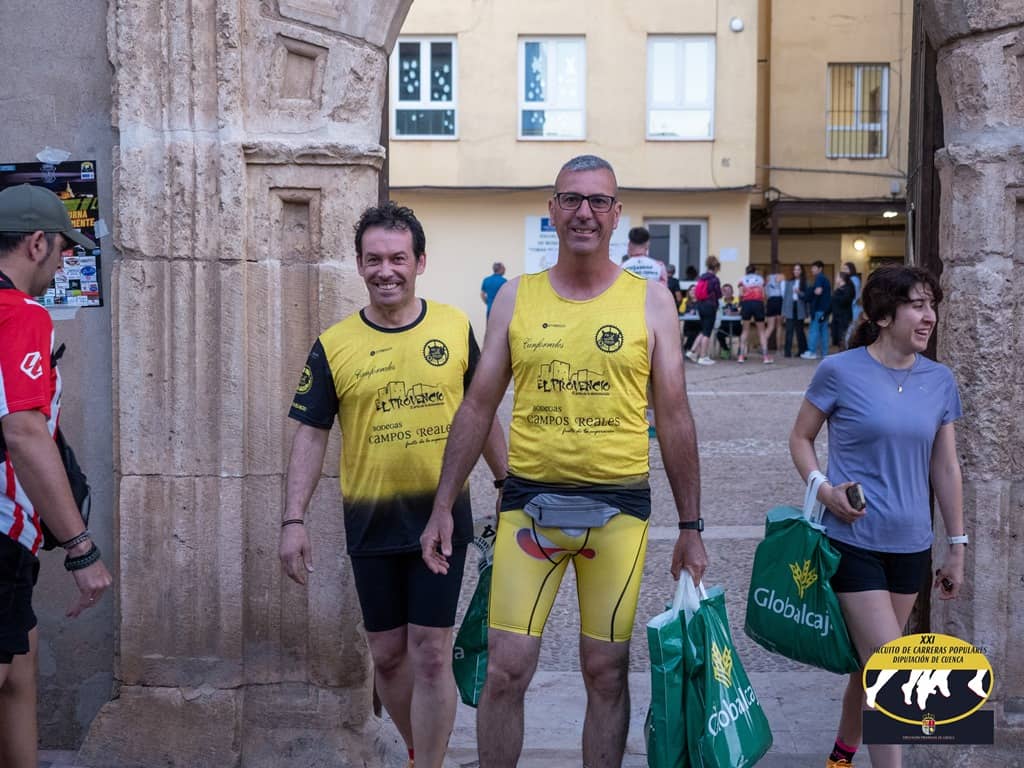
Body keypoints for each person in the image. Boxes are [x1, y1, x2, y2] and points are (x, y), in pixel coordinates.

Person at [420, 155, 707, 768]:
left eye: (598, 201)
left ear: (616, 213)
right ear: (552, 210)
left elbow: (676, 416)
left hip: (619, 511)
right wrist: (443, 503)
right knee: (505, 669)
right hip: (530, 508)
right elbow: (477, 405)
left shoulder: (652, 302)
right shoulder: (514, 298)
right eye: (571, 199)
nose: (584, 212)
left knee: (606, 670)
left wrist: (691, 526)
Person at [279, 202, 507, 768]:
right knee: (386, 656)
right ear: (359, 265)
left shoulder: (453, 327)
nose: (387, 271)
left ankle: (427, 764)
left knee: (431, 653)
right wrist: (293, 519)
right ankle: (414, 750)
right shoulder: (334, 345)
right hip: (371, 520)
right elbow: (312, 433)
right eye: (374, 259)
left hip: (441, 516)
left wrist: (507, 481)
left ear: (420, 262)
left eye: (398, 259)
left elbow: (480, 412)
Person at [788, 264, 965, 768]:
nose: (929, 317)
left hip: (910, 546)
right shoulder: (840, 371)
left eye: (932, 306)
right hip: (852, 541)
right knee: (892, 669)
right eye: (917, 305)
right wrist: (823, 490)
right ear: (884, 315)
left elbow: (945, 467)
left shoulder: (940, 380)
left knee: (868, 667)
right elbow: (800, 437)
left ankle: (840, 756)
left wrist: (957, 546)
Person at [0, 184, 113, 768]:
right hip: (0, 534)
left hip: (12, 542)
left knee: (20, 670)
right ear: (37, 243)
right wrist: (81, 549)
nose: (66, 262)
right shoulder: (20, 313)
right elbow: (24, 432)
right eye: (65, 249)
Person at [685, 254, 723, 365]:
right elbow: (719, 294)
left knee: (704, 330)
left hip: (700, 305)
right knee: (707, 333)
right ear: (716, 267)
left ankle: (692, 352)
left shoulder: (702, 277)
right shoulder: (714, 279)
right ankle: (703, 357)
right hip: (710, 306)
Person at [737, 264, 773, 364]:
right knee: (761, 331)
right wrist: (764, 305)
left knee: (745, 330)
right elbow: (764, 295)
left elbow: (741, 294)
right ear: (755, 271)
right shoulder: (760, 279)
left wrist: (741, 303)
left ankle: (741, 356)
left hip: (747, 304)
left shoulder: (742, 279)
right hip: (758, 304)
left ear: (746, 271)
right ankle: (765, 357)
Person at [801, 260, 832, 359]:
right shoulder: (825, 279)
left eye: (814, 268)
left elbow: (818, 292)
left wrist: (809, 293)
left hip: (818, 309)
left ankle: (812, 352)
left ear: (820, 269)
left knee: (814, 331)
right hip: (825, 310)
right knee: (824, 331)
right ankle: (824, 353)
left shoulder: (819, 278)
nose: (812, 270)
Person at [782, 263, 808, 357]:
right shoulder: (789, 282)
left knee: (799, 330)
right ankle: (787, 352)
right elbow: (785, 297)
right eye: (795, 269)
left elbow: (807, 297)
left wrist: (799, 292)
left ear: (801, 271)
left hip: (799, 307)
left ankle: (802, 351)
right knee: (789, 330)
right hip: (790, 307)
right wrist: (783, 311)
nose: (796, 271)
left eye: (798, 269)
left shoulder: (805, 282)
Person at [716, 282, 742, 357]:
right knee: (719, 334)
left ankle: (741, 351)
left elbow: (742, 312)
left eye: (729, 290)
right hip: (724, 325)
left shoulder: (738, 300)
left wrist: (732, 313)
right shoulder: (720, 302)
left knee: (743, 333)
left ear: (732, 291)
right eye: (725, 290)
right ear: (722, 292)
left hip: (736, 325)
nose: (727, 292)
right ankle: (726, 349)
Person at [831, 273, 855, 351]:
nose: (836, 279)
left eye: (837, 277)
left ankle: (843, 352)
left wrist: (837, 293)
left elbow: (844, 301)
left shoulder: (848, 289)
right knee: (838, 338)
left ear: (841, 279)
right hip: (837, 317)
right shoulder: (840, 289)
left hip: (844, 317)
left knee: (843, 337)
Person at [765, 267, 784, 352]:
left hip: (771, 300)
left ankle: (763, 346)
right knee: (779, 326)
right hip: (779, 300)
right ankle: (778, 349)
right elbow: (783, 290)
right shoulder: (782, 276)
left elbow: (766, 291)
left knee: (770, 327)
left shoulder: (768, 277)